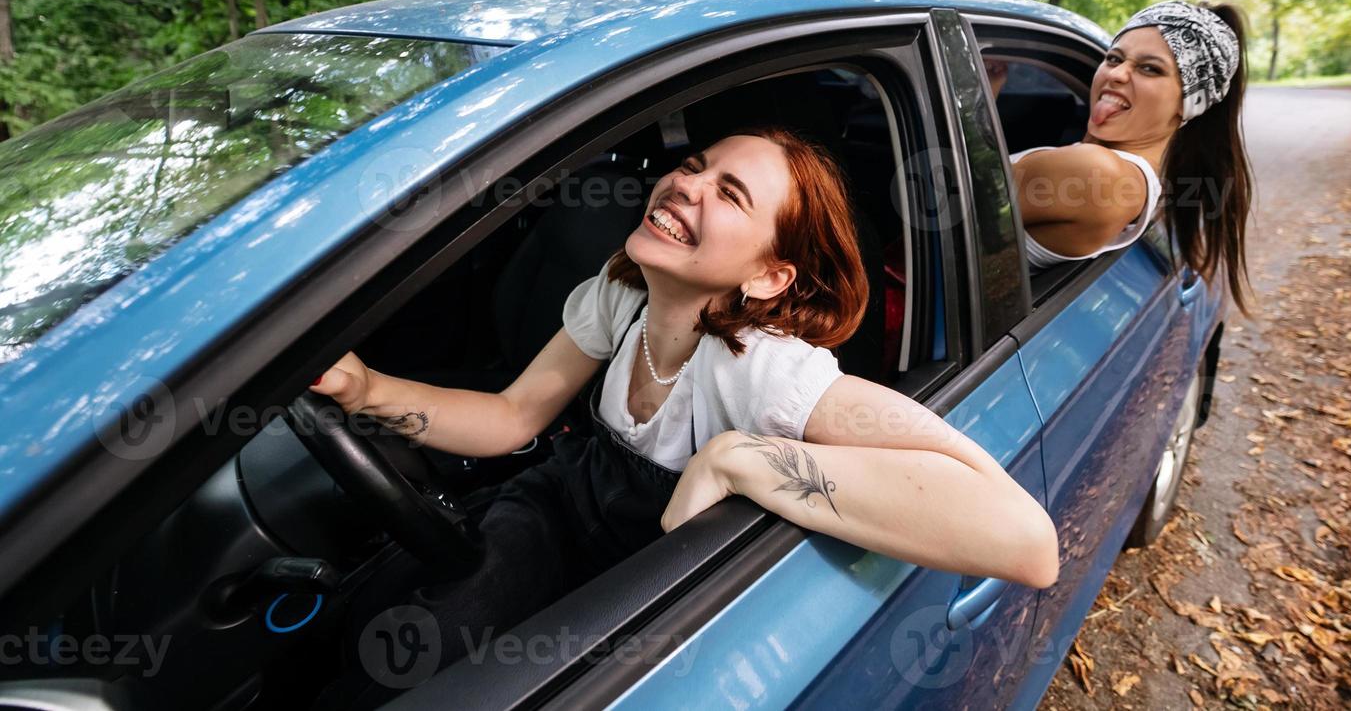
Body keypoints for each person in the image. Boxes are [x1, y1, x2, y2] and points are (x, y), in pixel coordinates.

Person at [307, 124, 1059, 709]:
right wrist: (366, 389)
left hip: (634, 594)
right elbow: (511, 418)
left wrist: (744, 458)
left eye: (730, 194)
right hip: (545, 521)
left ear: (769, 276)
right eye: (694, 166)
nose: (684, 186)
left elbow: (1027, 542)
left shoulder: (764, 370)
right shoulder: (622, 290)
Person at [987, 0, 1254, 316]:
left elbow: (950, 198)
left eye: (1149, 68)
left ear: (1189, 103)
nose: (1117, 74)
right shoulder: (1120, 173)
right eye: (1114, 58)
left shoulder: (1099, 174)